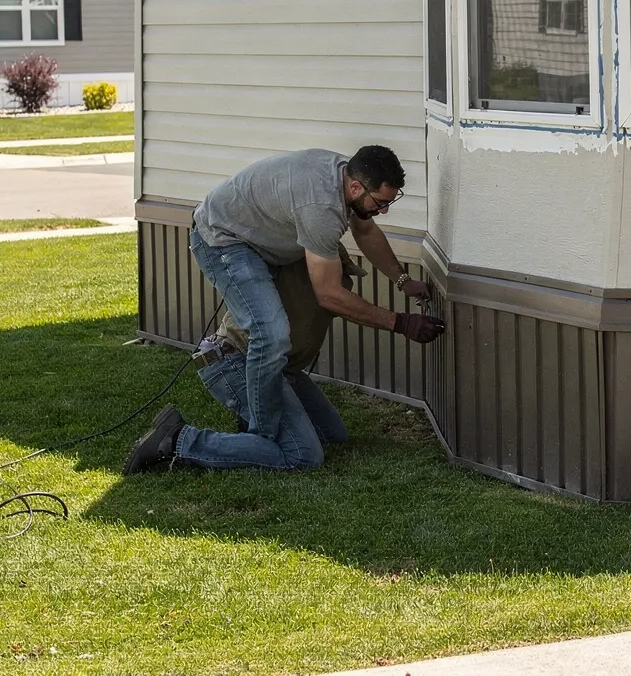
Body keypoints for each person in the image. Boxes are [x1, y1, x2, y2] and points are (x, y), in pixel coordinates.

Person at [123, 145, 445, 473]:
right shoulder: (320, 210)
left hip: (255, 250)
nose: (384, 210)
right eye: (380, 203)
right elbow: (330, 295)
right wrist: (402, 323)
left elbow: (365, 230)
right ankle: (186, 440)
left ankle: (259, 436)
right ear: (355, 187)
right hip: (223, 239)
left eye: (389, 203)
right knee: (272, 339)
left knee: (332, 435)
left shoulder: (342, 177)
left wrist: (403, 280)